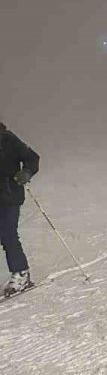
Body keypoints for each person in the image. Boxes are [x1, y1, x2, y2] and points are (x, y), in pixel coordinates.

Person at [0, 121, 40, 298]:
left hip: (9, 196)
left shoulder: (9, 140)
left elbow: (32, 157)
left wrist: (27, 173)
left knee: (8, 234)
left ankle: (21, 272)